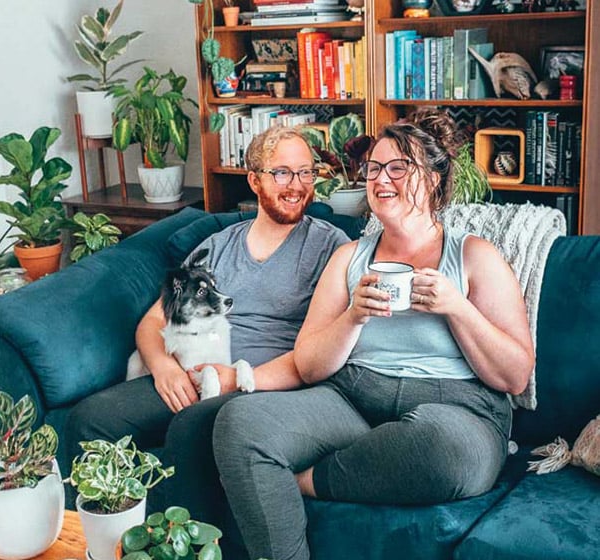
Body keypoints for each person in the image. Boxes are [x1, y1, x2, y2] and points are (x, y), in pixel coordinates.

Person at [212, 109, 536, 560]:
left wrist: (456, 308)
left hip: (456, 408)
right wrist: (353, 317)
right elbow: (307, 364)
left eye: (399, 167)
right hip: (353, 399)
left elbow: (516, 377)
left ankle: (306, 480)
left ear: (435, 179)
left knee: (444, 449)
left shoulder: (473, 256)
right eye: (375, 168)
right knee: (240, 423)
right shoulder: (348, 258)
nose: (382, 179)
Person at [63, 125, 350, 554]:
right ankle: (98, 547)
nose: (297, 187)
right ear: (254, 180)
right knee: (90, 420)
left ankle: (181, 551)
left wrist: (233, 378)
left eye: (306, 173)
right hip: (191, 375)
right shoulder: (217, 246)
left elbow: (328, 347)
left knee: (191, 428)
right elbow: (152, 320)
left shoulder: (331, 246)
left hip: (259, 385)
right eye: (283, 173)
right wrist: (163, 367)